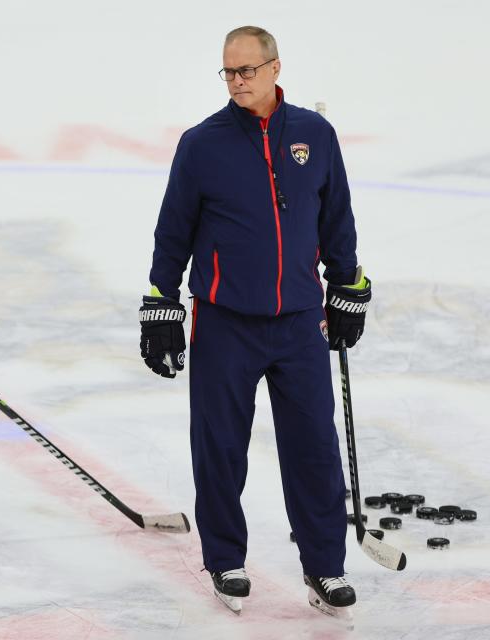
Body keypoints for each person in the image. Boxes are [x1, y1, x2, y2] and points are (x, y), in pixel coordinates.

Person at [139, 26, 372, 619]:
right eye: (228, 72)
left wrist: (347, 284)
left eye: (246, 71)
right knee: (220, 447)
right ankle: (225, 558)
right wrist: (161, 301)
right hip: (225, 322)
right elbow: (174, 232)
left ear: (274, 68)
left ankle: (325, 565)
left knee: (314, 447)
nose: (237, 82)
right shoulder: (202, 144)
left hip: (299, 320)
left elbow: (336, 214)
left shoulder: (315, 135)